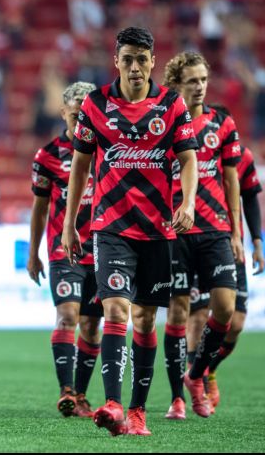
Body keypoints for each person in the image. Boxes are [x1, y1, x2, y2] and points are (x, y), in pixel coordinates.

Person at [61, 27, 198, 436]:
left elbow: (188, 159)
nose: (135, 67)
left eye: (142, 58)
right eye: (127, 59)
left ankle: (138, 410)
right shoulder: (95, 104)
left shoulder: (172, 105)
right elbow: (80, 167)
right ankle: (114, 405)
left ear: (153, 61)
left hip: (157, 230)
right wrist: (71, 223)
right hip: (111, 228)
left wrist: (187, 203)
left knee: (144, 319)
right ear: (115, 61)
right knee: (115, 310)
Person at [161, 52, 243, 420]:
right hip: (174, 231)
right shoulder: (161, 123)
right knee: (178, 312)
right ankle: (178, 397)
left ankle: (196, 375)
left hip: (215, 230)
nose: (199, 87)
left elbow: (231, 180)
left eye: (203, 80)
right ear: (176, 84)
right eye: (192, 81)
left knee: (224, 308)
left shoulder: (222, 124)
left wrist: (237, 233)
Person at [28, 81, 103, 418]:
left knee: (91, 326)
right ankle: (66, 391)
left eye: (86, 115)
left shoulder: (107, 151)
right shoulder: (47, 155)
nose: (81, 121)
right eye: (75, 115)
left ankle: (83, 395)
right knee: (68, 316)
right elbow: (40, 208)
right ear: (63, 113)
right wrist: (33, 252)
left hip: (103, 249)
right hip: (64, 250)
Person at [187, 140, 265, 413]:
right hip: (196, 241)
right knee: (197, 315)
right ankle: (194, 383)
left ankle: (207, 369)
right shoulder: (192, 152)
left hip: (230, 246)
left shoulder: (242, 156)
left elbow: (251, 197)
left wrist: (256, 241)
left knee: (236, 322)